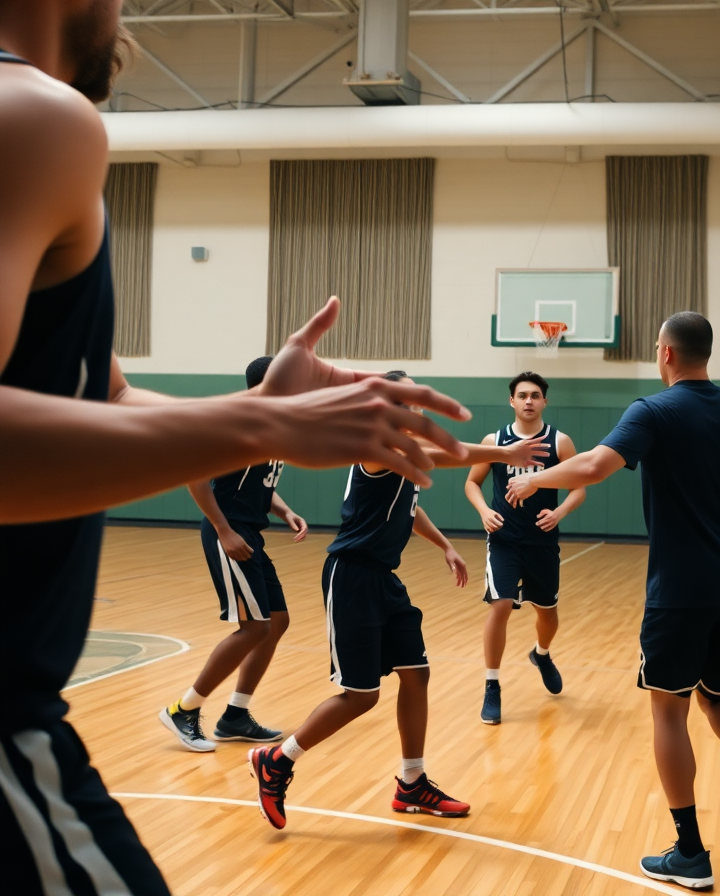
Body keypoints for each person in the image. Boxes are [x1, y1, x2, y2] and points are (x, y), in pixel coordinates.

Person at [0, 7, 470, 893]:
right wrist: (260, 426)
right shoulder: (36, 116)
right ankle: (205, 709)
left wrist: (256, 410)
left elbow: (107, 399)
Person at [505, 312, 720, 890]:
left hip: (681, 591)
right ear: (706, 353)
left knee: (670, 711)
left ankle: (690, 852)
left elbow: (596, 465)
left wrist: (533, 480)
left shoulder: (653, 411)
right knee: (719, 694)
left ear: (666, 353)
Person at [247, 372, 551, 830]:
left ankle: (412, 782)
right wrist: (503, 454)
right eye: (407, 400)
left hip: (384, 580)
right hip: (352, 577)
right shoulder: (375, 444)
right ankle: (277, 760)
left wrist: (445, 545)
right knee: (361, 696)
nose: (418, 407)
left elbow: (410, 506)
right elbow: (442, 454)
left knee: (416, 673)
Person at [159, 356, 310, 752]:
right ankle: (182, 709)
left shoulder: (273, 427)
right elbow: (195, 477)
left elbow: (259, 483)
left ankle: (235, 715)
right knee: (254, 627)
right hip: (228, 532)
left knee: (277, 621)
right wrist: (224, 530)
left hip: (249, 532)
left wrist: (285, 510)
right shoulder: (237, 424)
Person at [464, 371, 585, 725]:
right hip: (504, 540)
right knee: (500, 604)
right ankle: (492, 686)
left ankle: (541, 654)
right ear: (511, 401)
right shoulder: (495, 441)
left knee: (547, 612)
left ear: (544, 401)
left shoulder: (560, 442)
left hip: (542, 542)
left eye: (535, 395)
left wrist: (559, 512)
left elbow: (579, 488)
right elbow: (472, 483)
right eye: (522, 395)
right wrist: (484, 511)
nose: (528, 401)